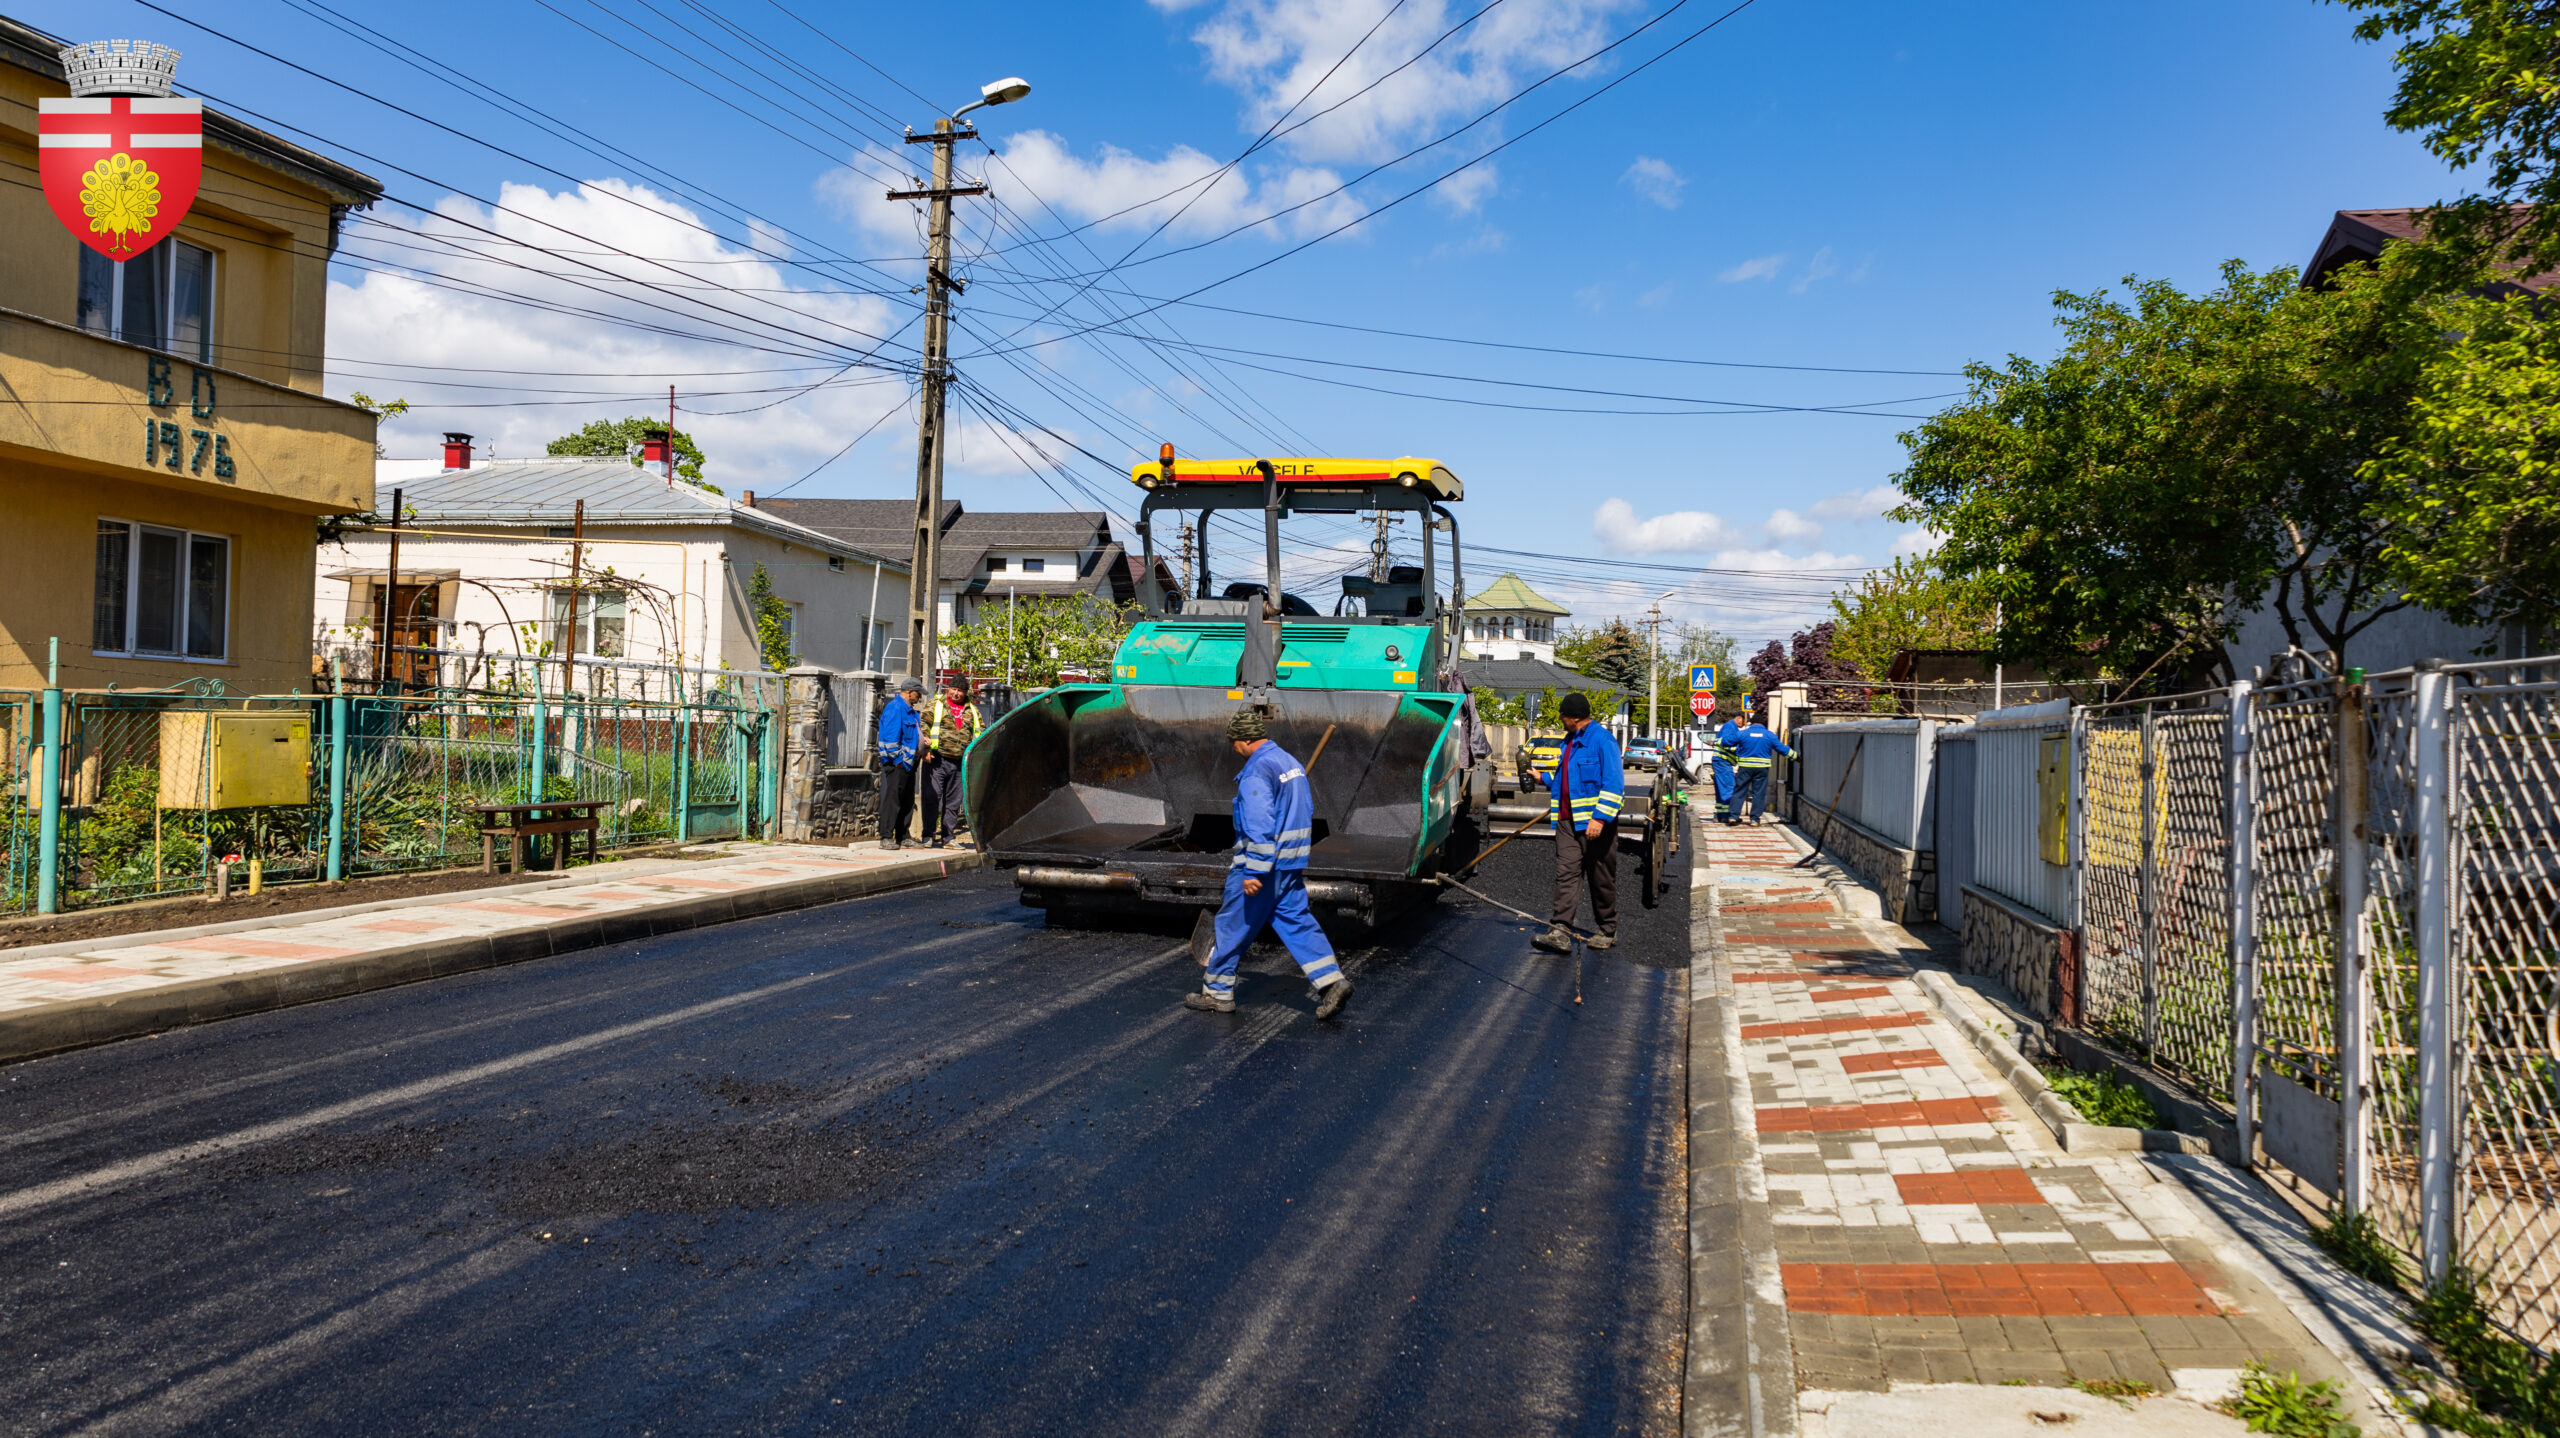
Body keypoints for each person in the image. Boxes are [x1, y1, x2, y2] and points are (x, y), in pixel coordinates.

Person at [1187, 707, 1354, 1020]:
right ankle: (1332, 982)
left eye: (1234, 742)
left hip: (1262, 867)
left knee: (1233, 925)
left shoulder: (1256, 771)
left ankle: (1217, 993)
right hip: (1290, 865)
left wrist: (1254, 870)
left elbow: (1259, 823)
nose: (1233, 747)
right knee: (1297, 922)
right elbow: (1303, 810)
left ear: (1247, 739)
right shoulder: (1289, 763)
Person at [1534, 692, 1624, 955]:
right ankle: (1560, 930)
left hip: (1594, 826)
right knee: (1567, 876)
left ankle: (1607, 929)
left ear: (1574, 718)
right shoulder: (1569, 741)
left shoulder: (1602, 742)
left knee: (1601, 878)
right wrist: (1542, 778)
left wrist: (1599, 818)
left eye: (1563, 716)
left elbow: (1614, 785)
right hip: (1566, 822)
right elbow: (1567, 778)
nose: (1560, 720)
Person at [919, 679, 981, 847]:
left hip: (960, 763)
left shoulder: (973, 710)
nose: (956, 693)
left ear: (965, 692)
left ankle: (948, 838)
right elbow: (923, 724)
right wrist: (925, 749)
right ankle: (928, 836)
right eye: (954, 689)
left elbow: (979, 733)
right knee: (932, 798)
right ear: (948, 689)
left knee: (953, 802)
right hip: (936, 760)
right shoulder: (936, 704)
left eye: (960, 690)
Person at [875, 676, 923, 849]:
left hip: (908, 763)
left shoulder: (911, 711)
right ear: (909, 692)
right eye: (918, 693)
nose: (919, 697)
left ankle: (903, 835)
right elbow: (890, 738)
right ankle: (886, 836)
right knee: (893, 799)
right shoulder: (895, 708)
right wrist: (898, 761)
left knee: (907, 800)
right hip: (898, 764)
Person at [1730, 708, 1794, 824]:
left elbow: (1727, 742)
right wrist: (1795, 756)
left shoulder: (1743, 734)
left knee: (1739, 791)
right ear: (1763, 723)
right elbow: (1781, 748)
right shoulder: (1769, 735)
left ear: (1752, 723)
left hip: (1745, 768)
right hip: (1762, 769)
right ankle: (1754, 819)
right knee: (1758, 793)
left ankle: (1733, 816)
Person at [1712, 716, 1743, 824]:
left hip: (1721, 762)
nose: (1743, 723)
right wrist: (1740, 748)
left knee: (1721, 788)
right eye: (1743, 721)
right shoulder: (1730, 728)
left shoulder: (1729, 727)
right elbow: (1727, 743)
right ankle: (1727, 815)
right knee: (1728, 788)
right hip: (1723, 761)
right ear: (1739, 718)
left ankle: (1719, 815)